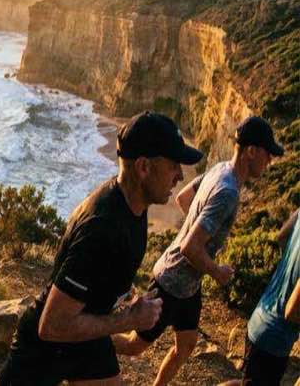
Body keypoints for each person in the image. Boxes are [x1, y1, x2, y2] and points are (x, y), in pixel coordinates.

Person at [0, 111, 204, 385]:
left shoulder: (134, 205)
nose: (179, 176)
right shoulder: (101, 229)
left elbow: (105, 271)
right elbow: (52, 326)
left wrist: (123, 295)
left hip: (88, 335)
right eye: (173, 165)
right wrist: (129, 320)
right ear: (144, 167)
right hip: (46, 349)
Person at [112, 116, 284, 385]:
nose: (270, 160)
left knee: (187, 345)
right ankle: (87, 342)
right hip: (170, 280)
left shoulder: (220, 170)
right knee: (135, 346)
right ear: (251, 151)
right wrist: (217, 271)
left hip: (188, 285)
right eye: (268, 154)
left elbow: (184, 199)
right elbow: (190, 247)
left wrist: (198, 226)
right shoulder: (228, 192)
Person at [219, 201, 300, 386]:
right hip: (274, 339)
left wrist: (289, 269)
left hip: (260, 318)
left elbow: (281, 236)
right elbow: (293, 311)